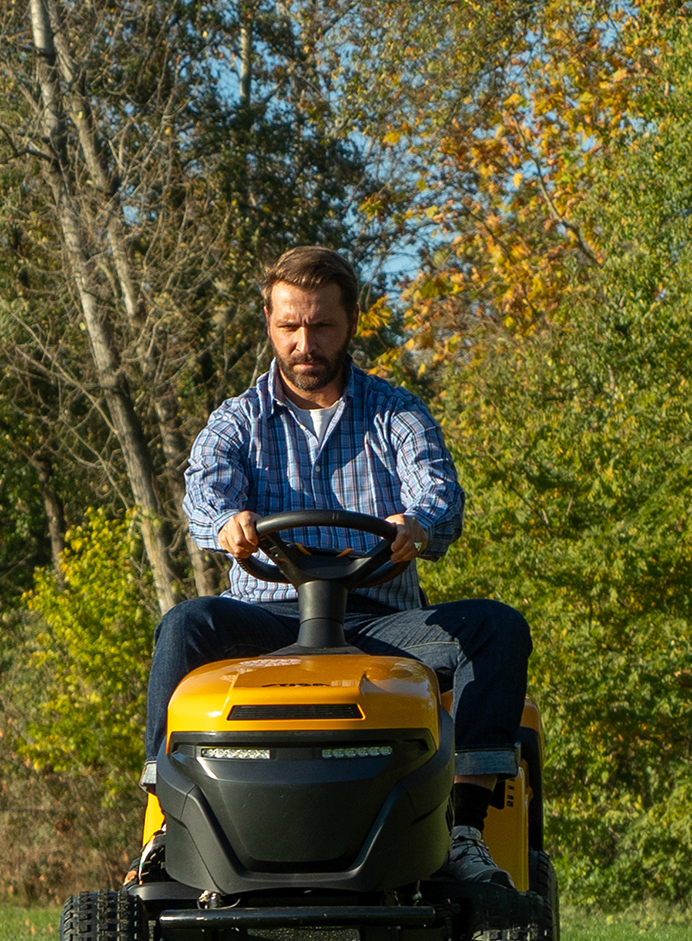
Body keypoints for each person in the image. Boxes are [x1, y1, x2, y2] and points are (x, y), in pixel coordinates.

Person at [142, 245, 532, 887]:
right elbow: (203, 491)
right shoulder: (238, 421)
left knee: (497, 630)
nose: (305, 342)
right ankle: (167, 830)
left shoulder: (394, 414)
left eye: (321, 325)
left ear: (350, 323)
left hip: (378, 628)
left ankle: (461, 830)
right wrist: (227, 523)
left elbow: (439, 493)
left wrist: (419, 523)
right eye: (290, 325)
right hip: (268, 627)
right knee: (185, 625)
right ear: (268, 323)